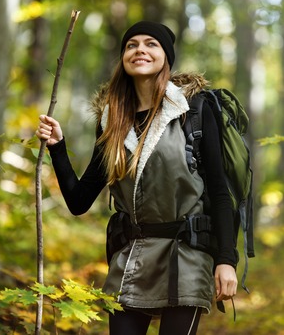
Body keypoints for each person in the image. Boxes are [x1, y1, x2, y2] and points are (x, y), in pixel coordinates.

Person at [36, 21, 238, 335]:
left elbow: (220, 192)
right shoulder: (112, 120)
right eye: (132, 45)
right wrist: (58, 148)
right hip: (131, 258)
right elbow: (78, 201)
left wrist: (227, 260)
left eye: (150, 44)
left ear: (166, 58)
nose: (140, 49)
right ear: (123, 58)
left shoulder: (195, 110)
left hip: (186, 255)